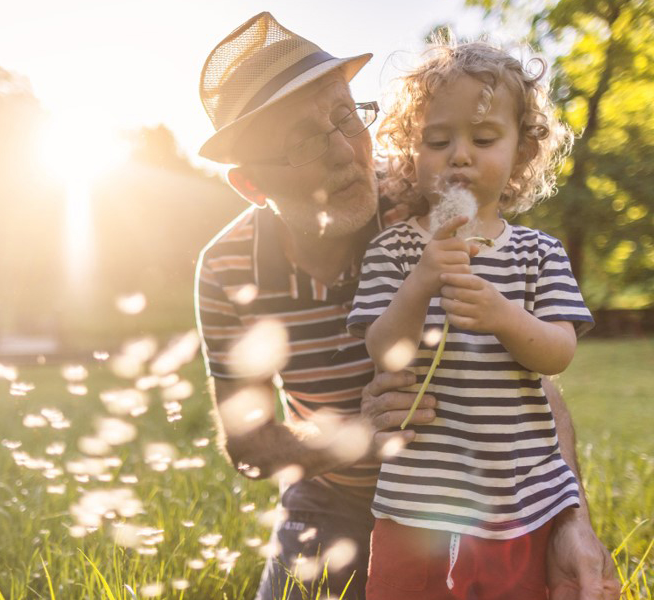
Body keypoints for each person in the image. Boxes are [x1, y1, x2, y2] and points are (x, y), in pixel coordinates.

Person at [195, 12, 620, 600]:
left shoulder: (428, 198)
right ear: (251, 185)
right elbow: (249, 444)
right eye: (302, 142)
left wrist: (569, 518)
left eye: (347, 116)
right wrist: (356, 437)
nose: (345, 153)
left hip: (475, 497)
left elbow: (524, 375)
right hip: (331, 497)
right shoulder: (227, 270)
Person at [346, 39, 597, 599]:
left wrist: (505, 316)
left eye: (483, 139)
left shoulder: (538, 253)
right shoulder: (394, 252)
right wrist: (420, 284)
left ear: (521, 152)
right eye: (438, 140)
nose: (459, 155)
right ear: (411, 152)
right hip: (418, 500)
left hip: (519, 498)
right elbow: (384, 351)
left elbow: (558, 352)